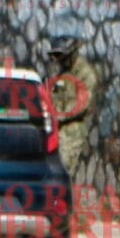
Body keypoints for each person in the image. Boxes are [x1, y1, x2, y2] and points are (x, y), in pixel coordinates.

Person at [48, 34, 96, 183]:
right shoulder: (63, 72)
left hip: (72, 132)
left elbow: (82, 103)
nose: (58, 60)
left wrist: (60, 115)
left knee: (63, 171)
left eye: (61, 55)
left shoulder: (85, 74)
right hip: (57, 129)